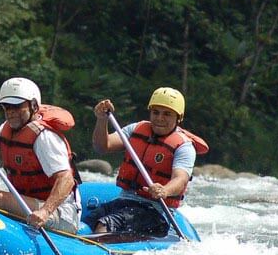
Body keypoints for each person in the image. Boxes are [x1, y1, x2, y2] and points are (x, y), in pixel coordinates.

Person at [0, 77, 81, 233]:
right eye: (6, 107)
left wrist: (45, 211)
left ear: (34, 106)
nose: (10, 112)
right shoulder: (8, 128)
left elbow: (67, 179)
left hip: (62, 214)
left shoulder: (44, 137)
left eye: (16, 106)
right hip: (31, 204)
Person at [86, 87, 209, 235]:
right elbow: (102, 147)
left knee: (105, 225)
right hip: (125, 201)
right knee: (89, 219)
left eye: (167, 114)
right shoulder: (136, 129)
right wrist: (102, 120)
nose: (159, 118)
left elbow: (180, 179)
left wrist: (165, 190)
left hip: (155, 211)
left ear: (179, 118)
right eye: (155, 112)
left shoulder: (184, 146)